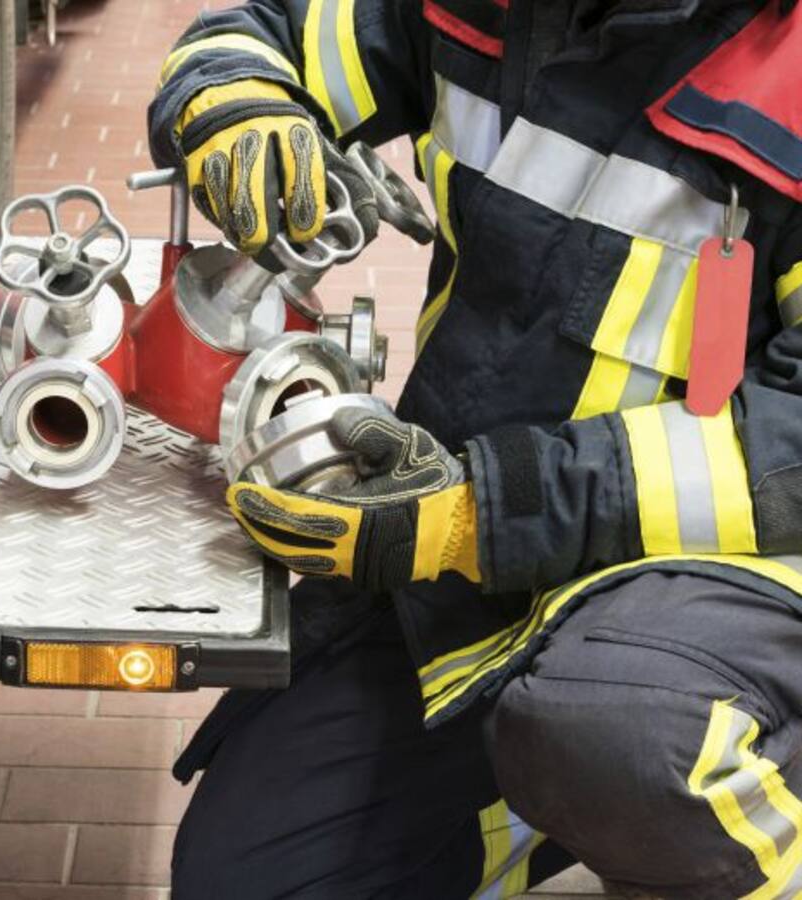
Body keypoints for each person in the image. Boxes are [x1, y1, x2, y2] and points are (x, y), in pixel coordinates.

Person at [148, 0, 802, 897]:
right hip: (484, 579)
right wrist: (238, 100)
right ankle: (542, 783)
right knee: (252, 881)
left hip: (734, 579)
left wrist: (479, 512)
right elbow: (267, 29)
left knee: (620, 734)